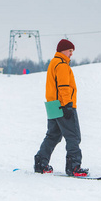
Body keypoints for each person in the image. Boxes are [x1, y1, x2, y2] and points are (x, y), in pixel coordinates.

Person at [34, 39, 89, 177]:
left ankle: (41, 163)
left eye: (72, 51)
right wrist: (67, 105)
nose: (71, 54)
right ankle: (74, 166)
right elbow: (63, 86)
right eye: (69, 51)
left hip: (52, 105)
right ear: (62, 50)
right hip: (63, 105)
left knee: (53, 135)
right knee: (73, 136)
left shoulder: (53, 63)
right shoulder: (62, 65)